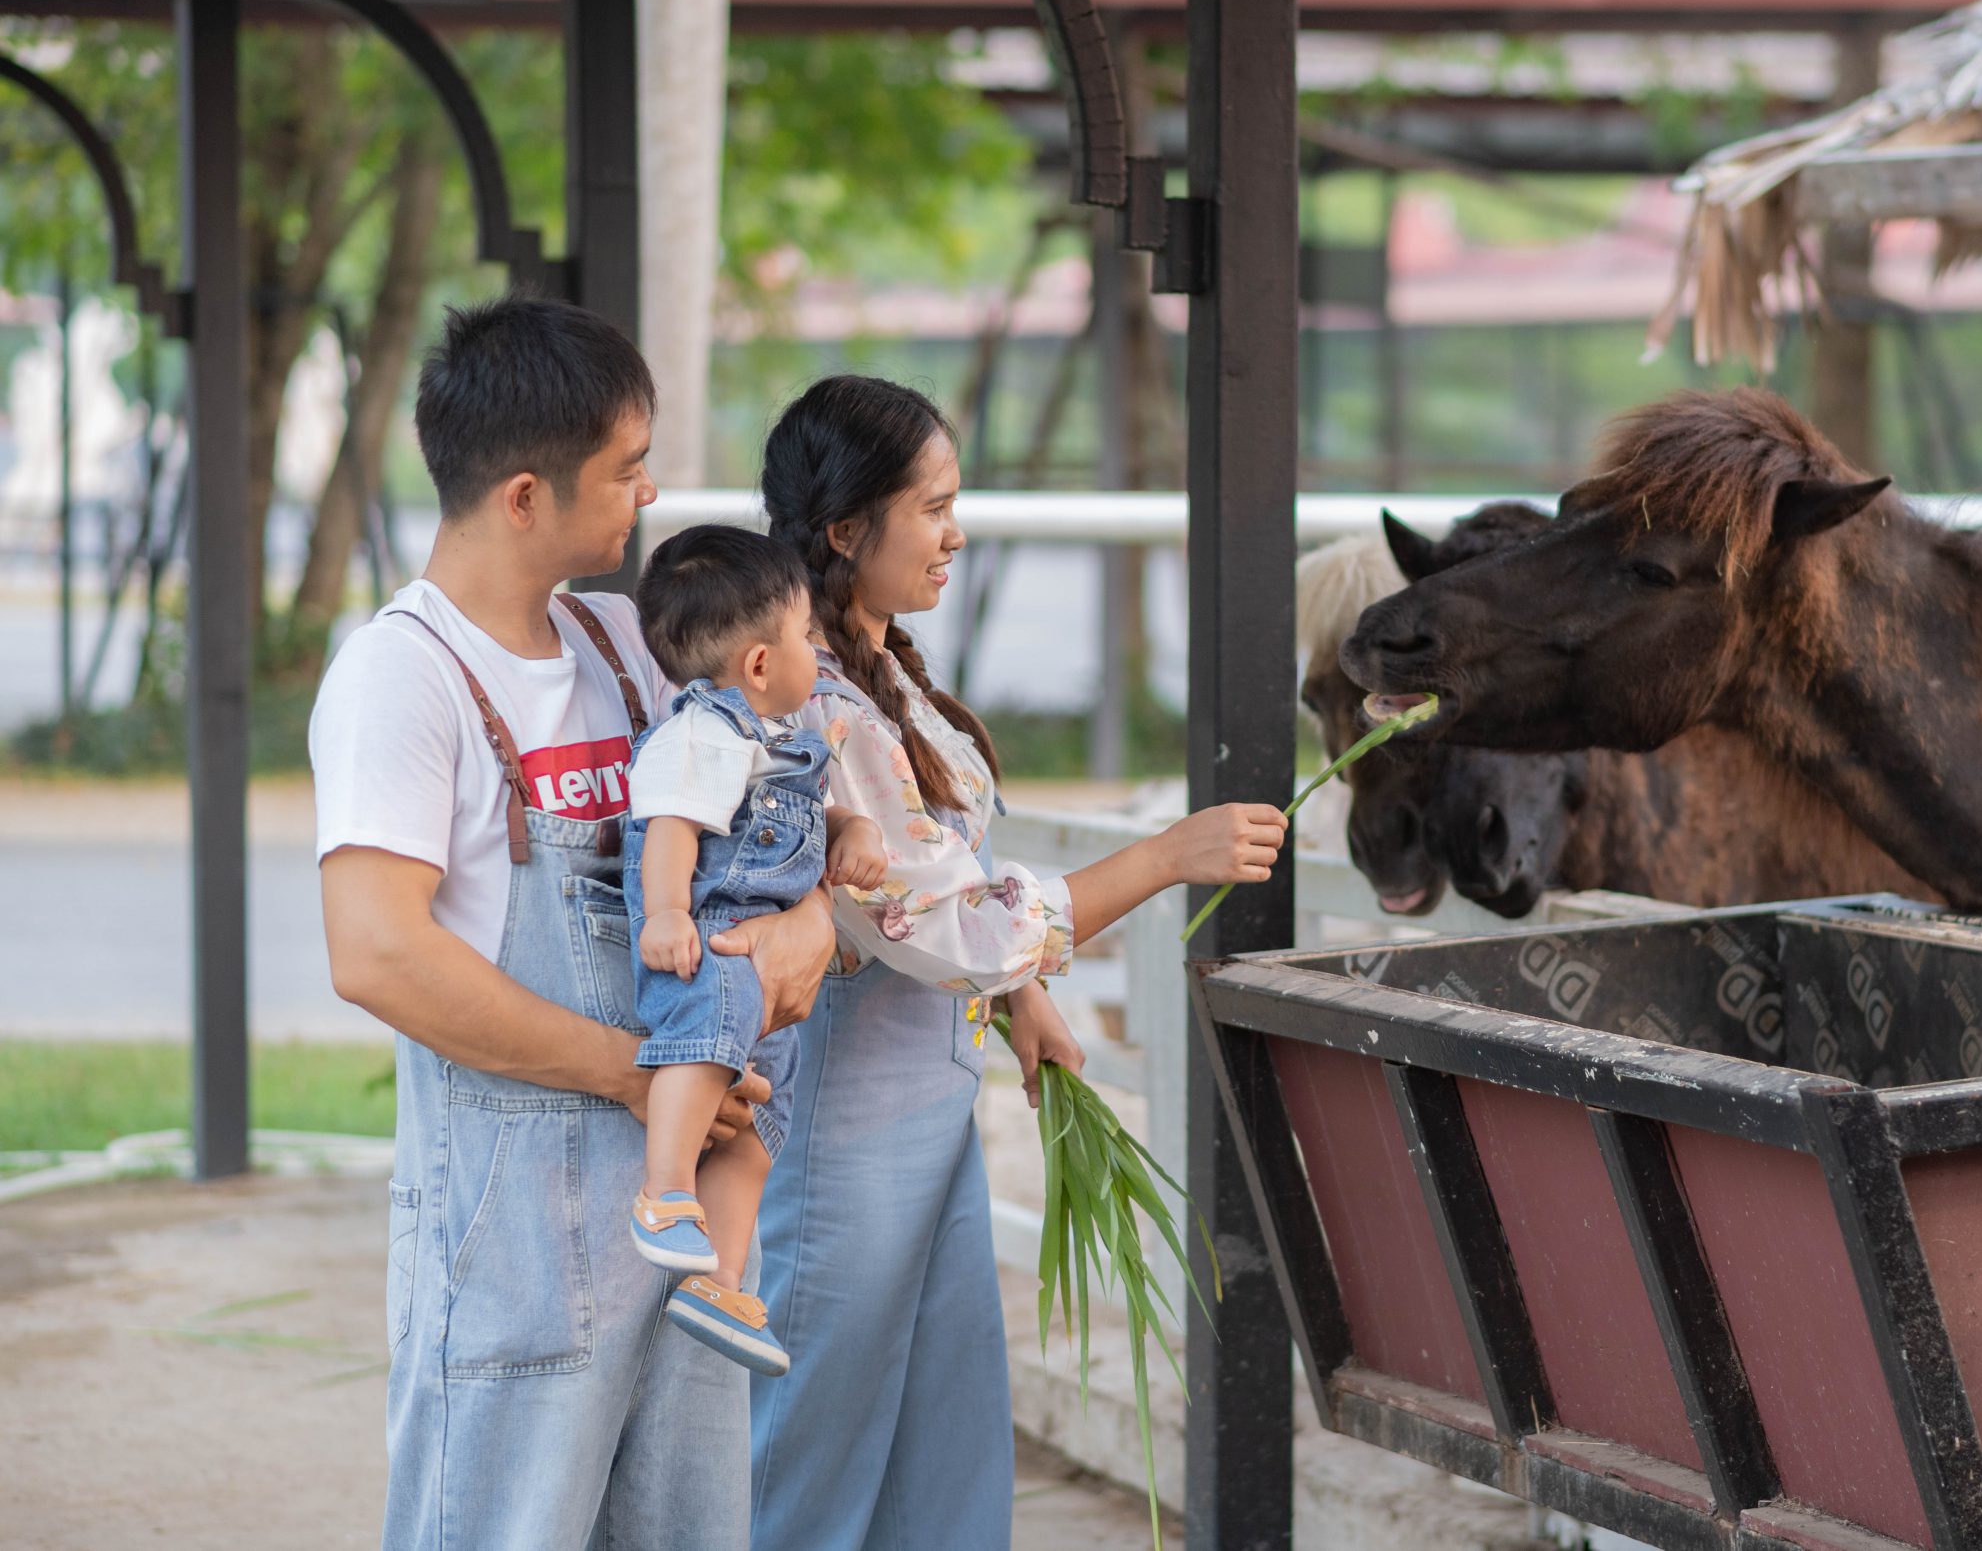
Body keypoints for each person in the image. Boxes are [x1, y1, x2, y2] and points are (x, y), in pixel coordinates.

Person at [310, 296, 836, 1551]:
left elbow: (762, 820)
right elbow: (377, 952)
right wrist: (637, 1074)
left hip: (681, 1219)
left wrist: (813, 917)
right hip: (516, 1223)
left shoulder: (626, 643)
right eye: (626, 470)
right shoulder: (403, 673)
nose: (649, 495)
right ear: (526, 496)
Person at [749, 375, 1290, 1550]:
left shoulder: (887, 678)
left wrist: (1024, 999)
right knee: (809, 1459)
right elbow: (951, 926)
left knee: (940, 1450)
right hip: (839, 1139)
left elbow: (951, 896)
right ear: (845, 530)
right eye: (932, 508)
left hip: (928, 1122)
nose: (956, 533)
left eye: (959, 501)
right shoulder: (816, 712)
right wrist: (1161, 859)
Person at [622, 524, 886, 1377]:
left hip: (766, 989)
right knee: (705, 1049)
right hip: (709, 953)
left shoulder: (788, 741)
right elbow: (670, 828)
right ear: (761, 666)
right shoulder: (705, 734)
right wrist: (665, 912)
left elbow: (813, 812)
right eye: (810, 638)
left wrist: (854, 827)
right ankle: (664, 1192)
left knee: (759, 1128)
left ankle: (722, 1280)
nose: (820, 652)